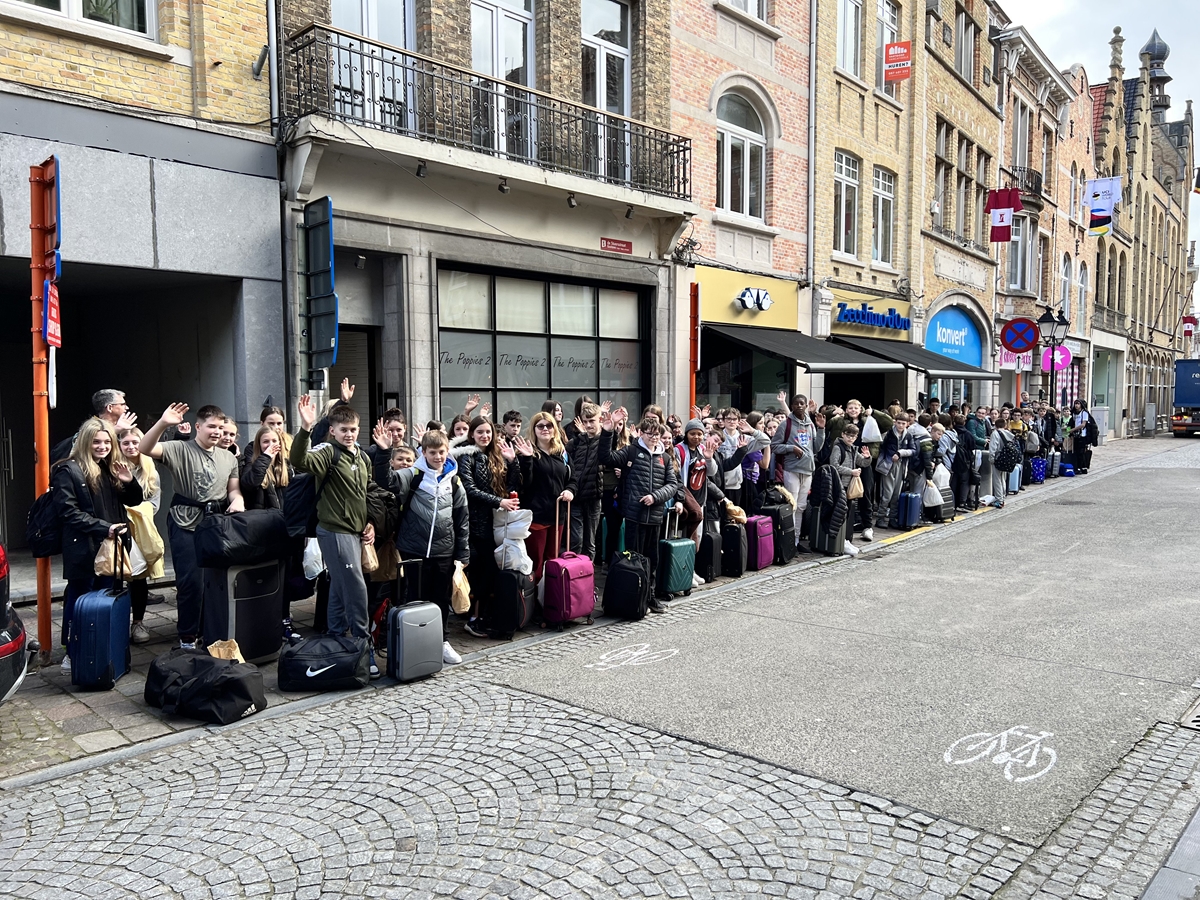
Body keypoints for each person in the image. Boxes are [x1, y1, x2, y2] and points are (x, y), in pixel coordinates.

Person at [290, 396, 380, 677]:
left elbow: (366, 493)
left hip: (355, 532)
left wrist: (370, 522)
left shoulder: (362, 456)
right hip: (334, 531)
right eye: (344, 430)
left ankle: (336, 639)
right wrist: (305, 428)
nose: (349, 434)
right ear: (333, 430)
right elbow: (299, 460)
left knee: (340, 590)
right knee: (356, 587)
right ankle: (364, 644)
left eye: (353, 430)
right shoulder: (328, 452)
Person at [140, 403, 242, 648]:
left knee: (215, 582)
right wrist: (164, 422)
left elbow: (234, 488)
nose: (216, 431)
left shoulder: (229, 457)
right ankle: (187, 637)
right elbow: (145, 448)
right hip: (184, 521)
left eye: (220, 427)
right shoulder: (179, 449)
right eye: (211, 426)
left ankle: (211, 633)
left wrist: (237, 500)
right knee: (191, 582)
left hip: (216, 525)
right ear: (198, 426)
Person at [53, 418, 145, 671]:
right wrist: (104, 528)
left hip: (112, 546)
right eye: (96, 441)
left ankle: (103, 648)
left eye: (107, 441)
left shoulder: (110, 467)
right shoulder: (67, 470)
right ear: (85, 441)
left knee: (107, 597)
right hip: (84, 547)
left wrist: (129, 481)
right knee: (80, 598)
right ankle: (73, 651)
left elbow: (134, 501)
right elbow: (67, 512)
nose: (102, 446)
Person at [377, 430, 470, 664]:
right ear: (424, 452)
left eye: (441, 452)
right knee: (414, 598)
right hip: (413, 549)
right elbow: (385, 482)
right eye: (432, 452)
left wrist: (463, 551)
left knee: (441, 598)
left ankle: (442, 641)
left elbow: (462, 518)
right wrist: (383, 452)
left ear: (447, 451)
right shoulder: (414, 474)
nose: (437, 457)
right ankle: (415, 643)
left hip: (444, 550)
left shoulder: (455, 481)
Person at [599, 410, 679, 612]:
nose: (653, 438)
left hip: (655, 516)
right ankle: (635, 596)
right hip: (634, 515)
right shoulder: (631, 451)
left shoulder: (665, 458)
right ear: (641, 433)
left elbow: (672, 485)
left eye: (656, 435)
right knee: (634, 558)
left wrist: (656, 497)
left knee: (653, 558)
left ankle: (650, 596)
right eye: (649, 434)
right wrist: (608, 432)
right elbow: (606, 457)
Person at [451, 416, 519, 637]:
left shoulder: (495, 455)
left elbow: (511, 485)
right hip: (473, 525)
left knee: (489, 572)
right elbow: (469, 489)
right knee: (479, 572)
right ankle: (472, 617)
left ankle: (480, 616)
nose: (485, 436)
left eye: (488, 432)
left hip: (494, 524)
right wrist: (499, 502)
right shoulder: (466, 456)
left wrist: (513, 462)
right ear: (471, 434)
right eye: (480, 432)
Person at [241, 425, 304, 643]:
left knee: (285, 580)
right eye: (265, 442)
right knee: (265, 579)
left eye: (274, 441)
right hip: (263, 533)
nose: (271, 446)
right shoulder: (252, 465)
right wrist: (265, 458)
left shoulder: (288, 466)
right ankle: (263, 625)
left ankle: (285, 621)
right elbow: (250, 483)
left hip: (286, 532)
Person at [514, 411, 576, 586]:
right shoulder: (528, 453)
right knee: (536, 562)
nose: (545, 429)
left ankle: (551, 600)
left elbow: (573, 478)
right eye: (540, 426)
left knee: (553, 560)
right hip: (537, 517)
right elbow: (525, 484)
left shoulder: (562, 453)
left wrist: (570, 490)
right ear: (534, 429)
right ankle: (534, 605)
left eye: (549, 425)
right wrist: (526, 459)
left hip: (557, 515)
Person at [117, 427, 162, 645]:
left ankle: (138, 622)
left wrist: (135, 513)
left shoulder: (150, 470)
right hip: (116, 527)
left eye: (136, 442)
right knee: (115, 576)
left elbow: (154, 504)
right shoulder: (113, 466)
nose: (131, 447)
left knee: (139, 577)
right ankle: (115, 622)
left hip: (141, 530)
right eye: (126, 443)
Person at [771, 394, 823, 547]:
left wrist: (821, 429)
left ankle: (796, 539)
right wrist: (791, 448)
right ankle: (788, 540)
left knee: (801, 506)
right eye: (796, 403)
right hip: (792, 469)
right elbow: (774, 446)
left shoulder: (810, 424)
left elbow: (817, 447)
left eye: (802, 403)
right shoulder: (785, 424)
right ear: (791, 406)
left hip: (807, 470)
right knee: (792, 506)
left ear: (806, 405)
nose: (799, 406)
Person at [566, 402, 605, 562]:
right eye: (586, 421)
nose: (589, 425)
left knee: (589, 543)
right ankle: (574, 578)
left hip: (593, 497)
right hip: (576, 496)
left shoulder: (604, 441)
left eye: (592, 421)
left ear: (599, 420)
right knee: (576, 540)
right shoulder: (575, 442)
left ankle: (587, 578)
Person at [673, 419, 721, 549]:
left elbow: (711, 472)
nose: (696, 437)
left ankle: (692, 565)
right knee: (682, 534)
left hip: (700, 499)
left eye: (699, 434)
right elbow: (676, 474)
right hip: (685, 498)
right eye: (692, 433)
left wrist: (709, 459)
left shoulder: (703, 449)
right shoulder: (679, 450)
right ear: (687, 434)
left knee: (697, 535)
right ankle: (681, 565)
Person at [829, 424, 871, 549]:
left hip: (849, 486)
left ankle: (845, 538)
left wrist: (868, 457)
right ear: (843, 434)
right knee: (840, 513)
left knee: (847, 512)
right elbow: (834, 466)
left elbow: (862, 462)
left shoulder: (853, 449)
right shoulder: (838, 448)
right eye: (848, 435)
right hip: (839, 484)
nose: (850, 438)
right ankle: (839, 539)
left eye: (853, 436)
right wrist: (851, 472)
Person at [876, 413, 910, 528]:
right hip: (888, 465)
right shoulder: (889, 434)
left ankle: (892, 518)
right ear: (895, 422)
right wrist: (885, 459)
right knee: (887, 493)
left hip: (901, 464)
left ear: (907, 424)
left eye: (903, 423)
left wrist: (901, 453)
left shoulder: (908, 435)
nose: (900, 425)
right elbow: (881, 447)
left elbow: (913, 450)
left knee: (896, 493)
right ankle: (880, 517)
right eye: (898, 423)